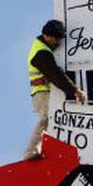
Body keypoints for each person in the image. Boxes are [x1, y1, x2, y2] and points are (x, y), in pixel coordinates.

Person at [24, 19, 86, 160]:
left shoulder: (43, 48)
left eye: (60, 38)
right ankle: (31, 152)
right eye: (56, 38)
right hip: (42, 93)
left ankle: (44, 151)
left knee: (53, 122)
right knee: (47, 120)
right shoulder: (41, 53)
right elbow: (55, 74)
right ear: (46, 36)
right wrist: (74, 90)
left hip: (42, 93)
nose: (58, 42)